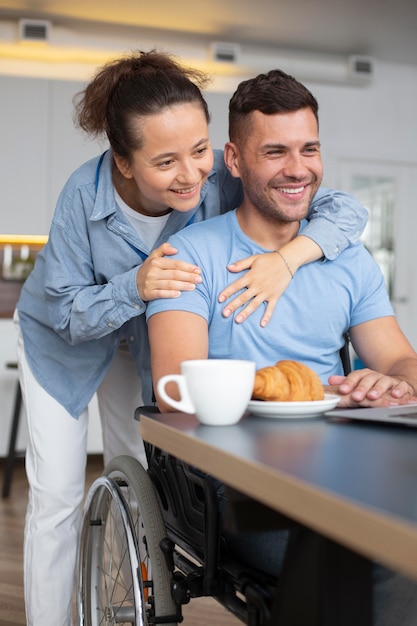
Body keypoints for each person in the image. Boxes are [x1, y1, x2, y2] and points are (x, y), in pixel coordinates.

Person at [15, 50, 367, 625]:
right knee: (57, 496)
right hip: (65, 337)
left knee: (137, 474)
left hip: (144, 339)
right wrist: (137, 284)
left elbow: (345, 212)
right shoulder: (83, 197)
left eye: (201, 150)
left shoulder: (218, 178)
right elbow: (68, 313)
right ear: (123, 163)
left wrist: (289, 259)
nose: (192, 174)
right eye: (166, 161)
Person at [146, 69, 417, 624]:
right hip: (242, 489)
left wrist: (394, 380)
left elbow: (399, 358)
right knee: (379, 556)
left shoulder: (347, 260)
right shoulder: (188, 257)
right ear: (236, 160)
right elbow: (174, 390)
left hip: (350, 468)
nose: (298, 169)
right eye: (275, 151)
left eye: (309, 148)